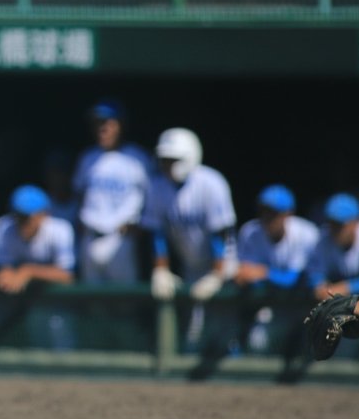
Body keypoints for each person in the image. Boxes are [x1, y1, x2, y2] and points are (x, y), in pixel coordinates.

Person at [189, 184, 319, 381]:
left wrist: (264, 273)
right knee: (258, 342)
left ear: (288, 214)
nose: (268, 218)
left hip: (302, 307)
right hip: (269, 307)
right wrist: (248, 276)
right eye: (264, 211)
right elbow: (245, 274)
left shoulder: (306, 234)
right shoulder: (250, 231)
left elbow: (299, 279)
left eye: (274, 213)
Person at [142, 127, 237, 350]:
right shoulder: (157, 187)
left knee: (228, 328)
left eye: (172, 159)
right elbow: (157, 233)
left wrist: (216, 274)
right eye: (164, 159)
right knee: (194, 333)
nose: (167, 165)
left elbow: (220, 234)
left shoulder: (211, 182)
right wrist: (160, 269)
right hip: (191, 266)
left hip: (224, 265)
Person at [0, 185, 76, 362]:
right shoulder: (6, 227)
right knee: (38, 347)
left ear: (43, 215)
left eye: (27, 217)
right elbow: (4, 266)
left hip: (57, 300)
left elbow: (67, 276)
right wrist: (5, 274)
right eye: (18, 216)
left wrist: (28, 271)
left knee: (62, 345)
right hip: (27, 300)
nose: (22, 222)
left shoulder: (60, 230)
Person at [71, 99, 152, 284]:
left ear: (121, 125)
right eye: (97, 123)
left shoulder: (138, 158)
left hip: (121, 239)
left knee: (125, 303)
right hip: (91, 236)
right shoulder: (87, 158)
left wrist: (141, 226)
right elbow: (79, 196)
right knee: (92, 303)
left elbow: (152, 197)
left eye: (107, 123)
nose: (102, 128)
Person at [310, 193, 359, 302]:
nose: (335, 230)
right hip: (340, 298)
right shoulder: (323, 239)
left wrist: (348, 287)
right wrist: (320, 286)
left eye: (340, 225)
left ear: (356, 222)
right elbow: (315, 273)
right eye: (332, 224)